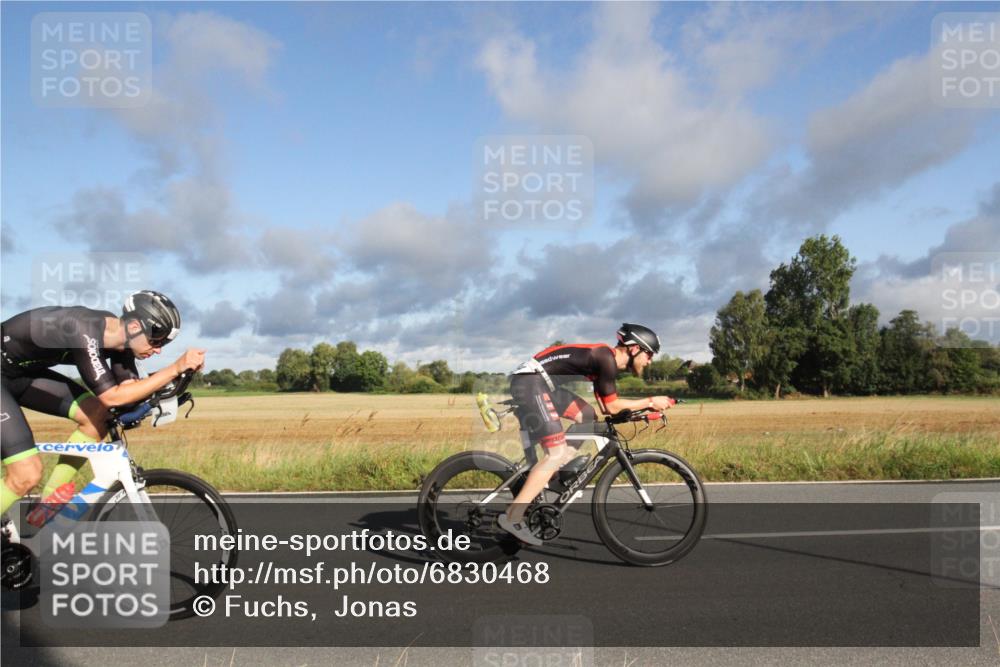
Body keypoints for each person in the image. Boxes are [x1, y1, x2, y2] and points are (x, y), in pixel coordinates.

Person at [1, 291, 205, 520]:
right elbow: (112, 397)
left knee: (97, 415)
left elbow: (130, 391)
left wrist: (173, 384)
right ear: (136, 326)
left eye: (164, 343)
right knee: (26, 474)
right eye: (156, 340)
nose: (158, 349)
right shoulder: (82, 329)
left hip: (21, 374)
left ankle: (48, 503)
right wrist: (174, 368)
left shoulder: (121, 342)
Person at [497, 323, 676, 545]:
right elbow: (611, 408)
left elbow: (604, 408)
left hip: (539, 383)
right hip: (530, 383)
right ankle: (513, 517)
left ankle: (558, 470)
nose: (650, 361)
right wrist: (650, 401)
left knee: (588, 417)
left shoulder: (605, 360)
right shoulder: (606, 359)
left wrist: (642, 410)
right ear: (633, 349)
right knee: (555, 452)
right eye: (649, 354)